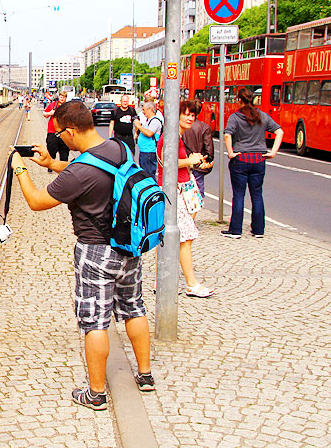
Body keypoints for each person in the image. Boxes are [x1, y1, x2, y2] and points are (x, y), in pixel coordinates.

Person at [11, 100, 155, 410]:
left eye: (61, 133)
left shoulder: (79, 171)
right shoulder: (119, 148)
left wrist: (20, 169)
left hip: (96, 252)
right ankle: (145, 376)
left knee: (95, 323)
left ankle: (96, 393)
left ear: (73, 131)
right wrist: (51, 163)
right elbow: (89, 173)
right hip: (129, 245)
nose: (60, 138)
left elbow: (37, 201)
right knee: (134, 307)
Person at [158, 100, 215, 298]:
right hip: (173, 190)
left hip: (179, 188)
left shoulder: (177, 137)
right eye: (187, 114)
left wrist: (192, 163)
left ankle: (166, 280)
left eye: (193, 115)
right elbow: (167, 161)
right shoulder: (171, 137)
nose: (191, 118)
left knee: (171, 237)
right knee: (184, 238)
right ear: (176, 115)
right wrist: (190, 161)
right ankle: (191, 283)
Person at [221, 87, 284, 239]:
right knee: (257, 195)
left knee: (239, 195)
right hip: (258, 159)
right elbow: (279, 131)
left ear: (239, 100)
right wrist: (273, 152)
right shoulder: (262, 116)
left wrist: (230, 153)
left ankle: (235, 230)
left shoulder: (235, 117)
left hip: (241, 159)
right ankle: (258, 230)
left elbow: (228, 135)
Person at [182, 100, 214, 197]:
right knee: (197, 197)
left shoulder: (180, 127)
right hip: (197, 166)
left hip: (184, 166)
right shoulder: (204, 128)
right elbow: (209, 151)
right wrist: (206, 162)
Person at [43, 90, 70, 173]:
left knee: (64, 151)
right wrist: (50, 113)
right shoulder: (53, 105)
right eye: (61, 97)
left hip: (64, 133)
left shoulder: (68, 107)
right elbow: (44, 113)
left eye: (64, 97)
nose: (62, 98)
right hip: (52, 132)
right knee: (51, 150)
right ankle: (51, 167)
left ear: (66, 98)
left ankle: (63, 168)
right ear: (59, 97)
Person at [134, 101, 163, 178]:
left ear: (150, 109)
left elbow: (149, 133)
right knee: (144, 173)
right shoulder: (148, 121)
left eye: (144, 110)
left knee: (148, 175)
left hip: (149, 152)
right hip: (145, 152)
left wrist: (139, 126)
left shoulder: (155, 121)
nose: (143, 112)